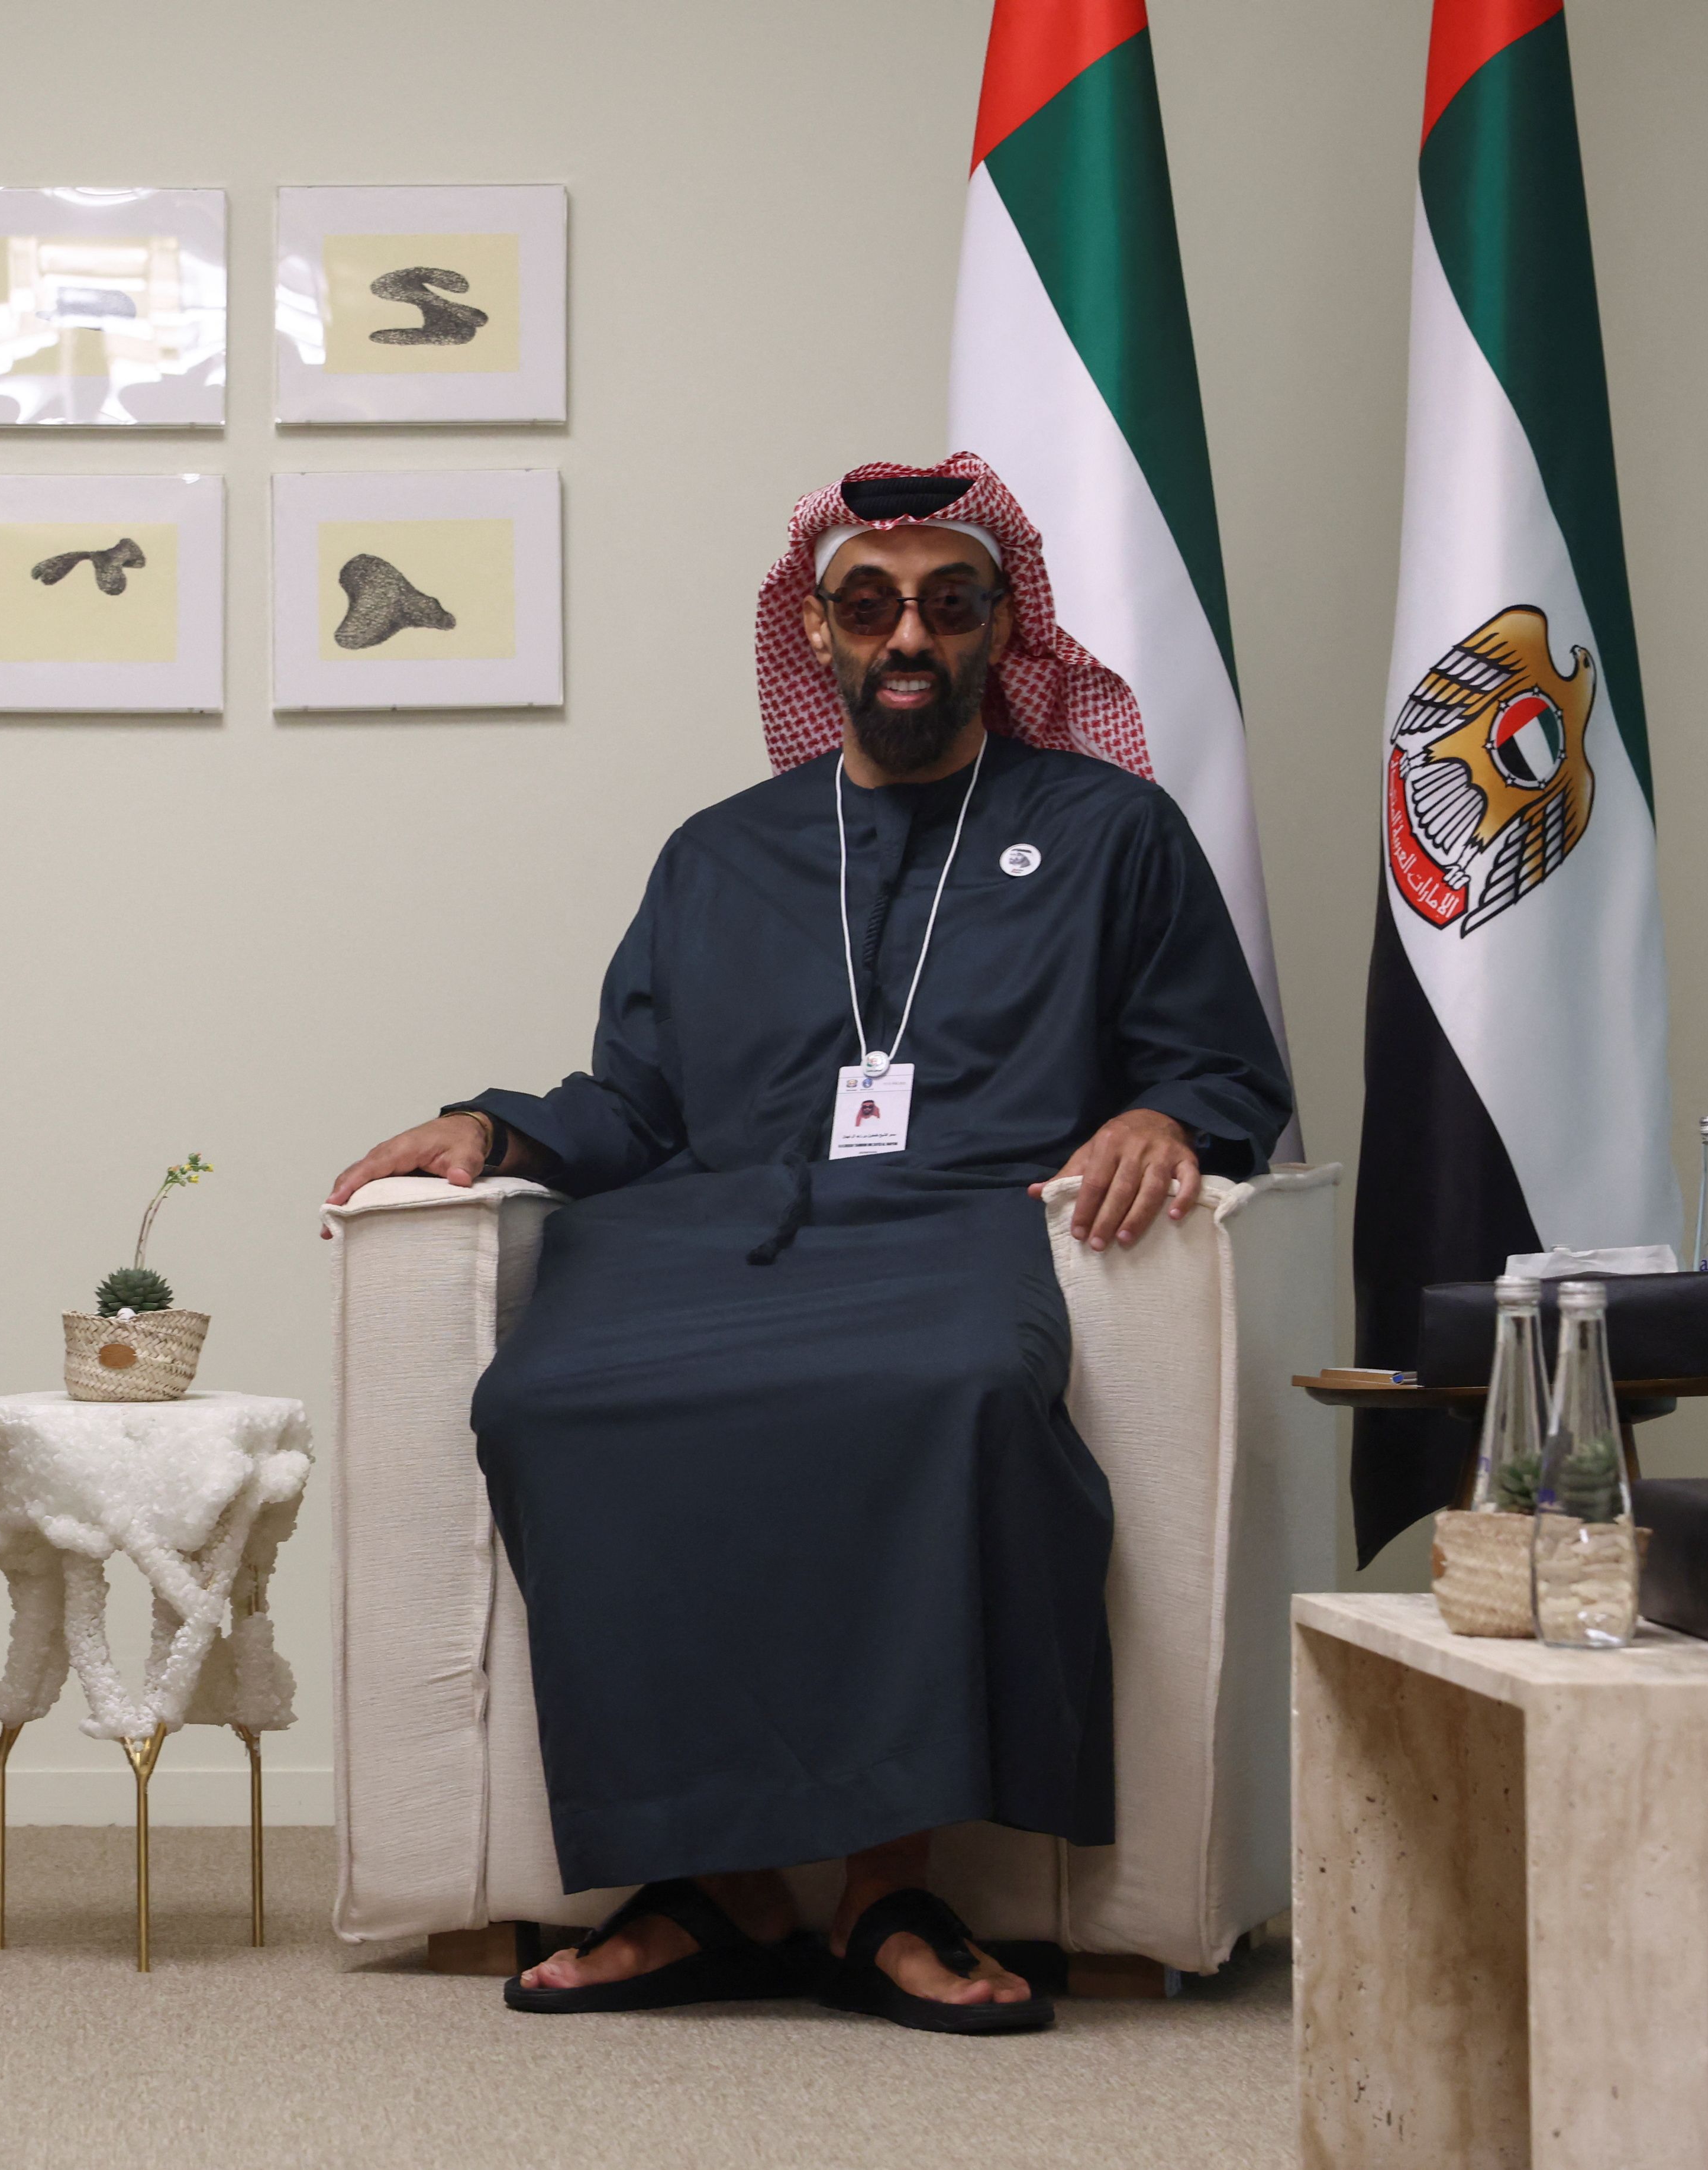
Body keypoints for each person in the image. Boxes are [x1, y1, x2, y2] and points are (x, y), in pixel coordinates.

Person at [325, 456, 1290, 2035]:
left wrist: (1165, 1117)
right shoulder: (720, 852)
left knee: (950, 1395)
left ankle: (884, 1888)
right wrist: (492, 1133)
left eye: (947, 603)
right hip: (707, 1233)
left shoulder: (1110, 832)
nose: (906, 636)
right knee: (546, 1401)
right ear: (819, 635)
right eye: (867, 604)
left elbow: (1219, 1063)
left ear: (998, 630)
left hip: (953, 1231)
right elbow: (631, 1098)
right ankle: (711, 1887)